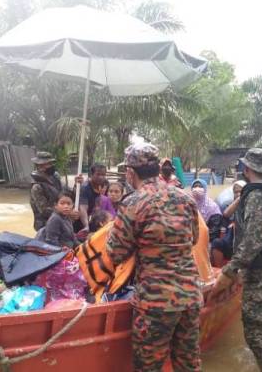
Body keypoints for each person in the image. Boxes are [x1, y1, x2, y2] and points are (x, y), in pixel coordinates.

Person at [108, 142, 202, 372]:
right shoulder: (185, 198)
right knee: (189, 365)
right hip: (190, 296)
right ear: (158, 167)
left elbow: (115, 253)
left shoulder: (133, 203)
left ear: (130, 173)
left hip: (155, 302)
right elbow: (194, 240)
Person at [211, 148, 262, 372]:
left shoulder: (258, 195)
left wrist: (231, 269)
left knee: (255, 331)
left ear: (246, 169)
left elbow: (254, 239)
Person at [211, 180, 246, 267]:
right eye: (235, 192)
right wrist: (238, 200)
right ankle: (218, 271)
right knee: (216, 243)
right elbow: (226, 214)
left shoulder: (250, 205)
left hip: (244, 243)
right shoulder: (230, 205)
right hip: (230, 242)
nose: (238, 194)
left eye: (240, 191)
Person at [30, 151, 65, 231]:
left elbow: (65, 193)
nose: (51, 166)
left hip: (60, 220)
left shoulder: (55, 178)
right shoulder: (37, 187)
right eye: (48, 164)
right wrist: (66, 212)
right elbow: (44, 211)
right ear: (40, 166)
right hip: (45, 225)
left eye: (52, 163)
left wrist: (76, 185)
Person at [78, 163, 108, 231]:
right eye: (98, 174)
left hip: (101, 219)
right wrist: (86, 226)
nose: (101, 177)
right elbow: (83, 208)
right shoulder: (85, 188)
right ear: (91, 175)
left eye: (103, 175)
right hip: (86, 221)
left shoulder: (106, 184)